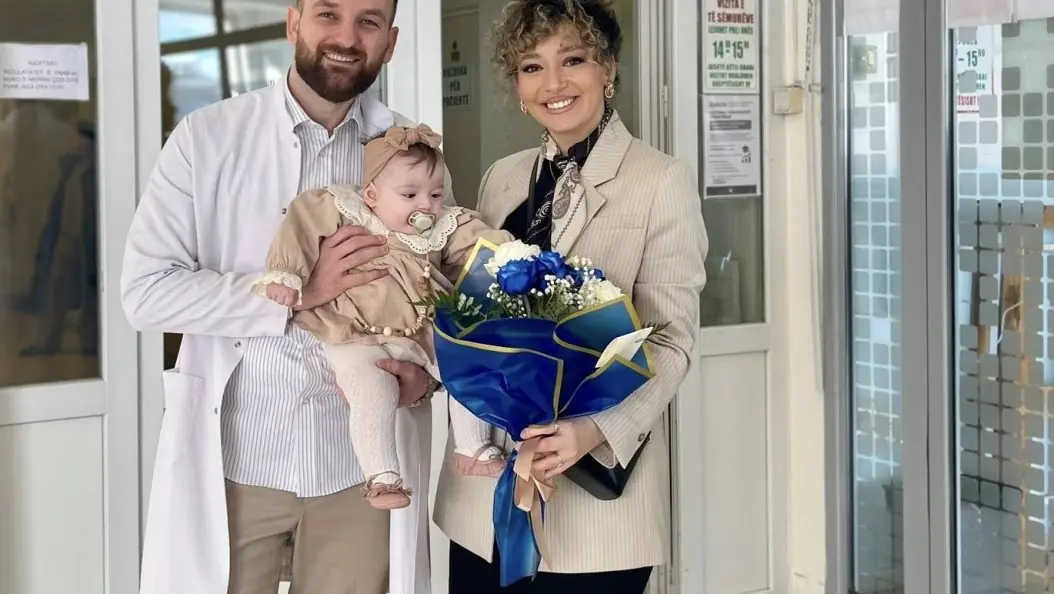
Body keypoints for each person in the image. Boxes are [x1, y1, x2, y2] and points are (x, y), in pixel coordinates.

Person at [120, 1, 441, 593]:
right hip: (240, 463)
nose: (347, 37)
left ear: (391, 42)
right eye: (328, 14)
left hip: (358, 473)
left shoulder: (410, 151)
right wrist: (297, 294)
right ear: (294, 23)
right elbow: (146, 292)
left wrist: (425, 380)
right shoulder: (207, 137)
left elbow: (437, 289)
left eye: (369, 22)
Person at [432, 1, 709, 593]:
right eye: (532, 67)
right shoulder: (503, 177)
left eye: (573, 60)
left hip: (591, 495)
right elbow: (475, 313)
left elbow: (672, 340)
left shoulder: (659, 180)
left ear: (607, 67)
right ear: (517, 86)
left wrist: (593, 429)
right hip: (485, 491)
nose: (553, 84)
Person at [252, 124, 510, 510]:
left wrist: (507, 260)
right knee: (373, 389)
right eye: (409, 195)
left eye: (435, 194)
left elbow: (479, 242)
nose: (426, 206)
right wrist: (286, 273)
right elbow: (301, 224)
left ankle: (472, 447)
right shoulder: (347, 211)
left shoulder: (441, 226)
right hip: (353, 332)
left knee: (469, 364)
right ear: (371, 195)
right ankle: (382, 476)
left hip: (420, 330)